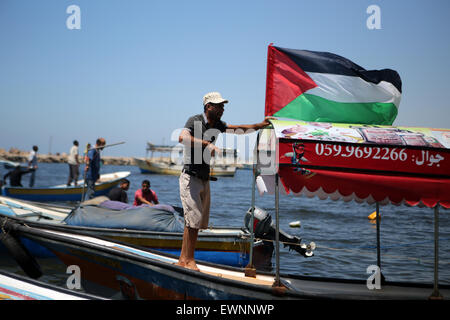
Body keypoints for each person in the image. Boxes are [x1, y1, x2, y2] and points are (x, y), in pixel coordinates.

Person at [176, 91, 273, 271]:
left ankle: (183, 259)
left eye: (223, 106)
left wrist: (260, 125)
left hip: (204, 179)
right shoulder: (195, 120)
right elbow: (182, 137)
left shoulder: (218, 125)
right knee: (193, 221)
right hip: (191, 177)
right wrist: (208, 144)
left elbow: (239, 129)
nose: (222, 109)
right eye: (219, 106)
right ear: (208, 107)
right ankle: (189, 261)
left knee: (195, 223)